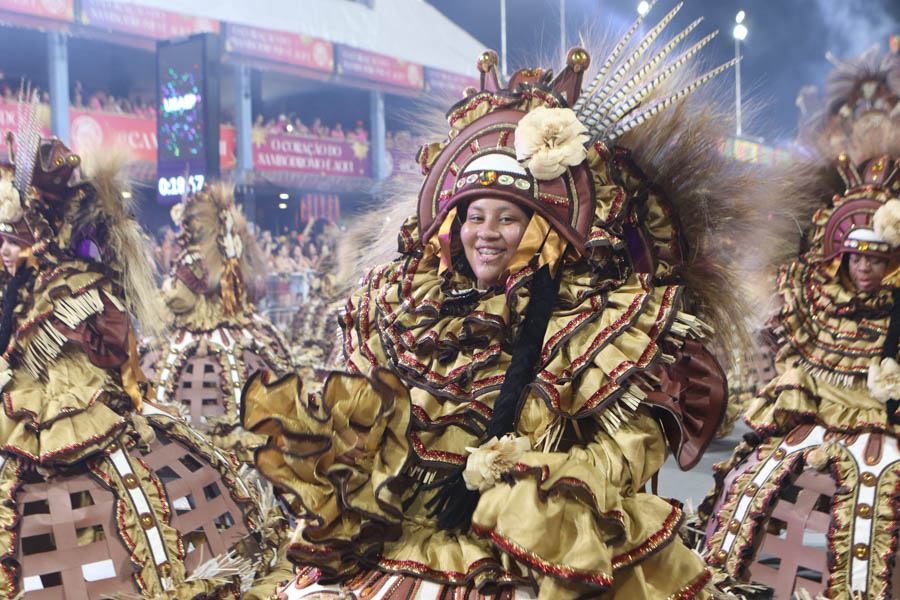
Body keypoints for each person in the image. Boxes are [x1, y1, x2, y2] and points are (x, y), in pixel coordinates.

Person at [241, 8, 780, 597]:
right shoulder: (406, 312)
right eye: (474, 216)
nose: (487, 233)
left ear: (544, 228)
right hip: (405, 548)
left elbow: (631, 451)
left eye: (508, 218)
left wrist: (538, 481)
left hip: (531, 556)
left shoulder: (604, 321)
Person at [0, 134, 280, 597]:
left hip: (82, 397)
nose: (6, 251)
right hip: (45, 399)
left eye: (13, 241)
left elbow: (115, 340)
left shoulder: (71, 286)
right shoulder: (34, 284)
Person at [698, 50, 900, 599]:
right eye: (857, 258)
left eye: (876, 260)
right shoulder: (812, 302)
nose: (865, 269)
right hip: (819, 408)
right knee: (769, 466)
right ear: (840, 256)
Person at [139, 183, 292, 459]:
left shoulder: (194, 258)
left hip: (203, 319)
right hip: (226, 319)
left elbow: (184, 297)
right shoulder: (224, 253)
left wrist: (168, 291)